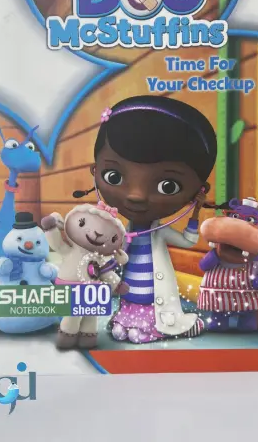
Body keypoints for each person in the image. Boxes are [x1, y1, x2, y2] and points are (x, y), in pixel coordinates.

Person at [73, 95, 217, 344]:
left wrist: (195, 213)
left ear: (199, 191)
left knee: (138, 329)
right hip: (129, 298)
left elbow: (188, 241)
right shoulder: (119, 230)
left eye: (168, 186)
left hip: (153, 299)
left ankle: (156, 326)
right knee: (121, 330)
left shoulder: (159, 232)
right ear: (95, 172)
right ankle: (128, 321)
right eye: (114, 176)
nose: (136, 196)